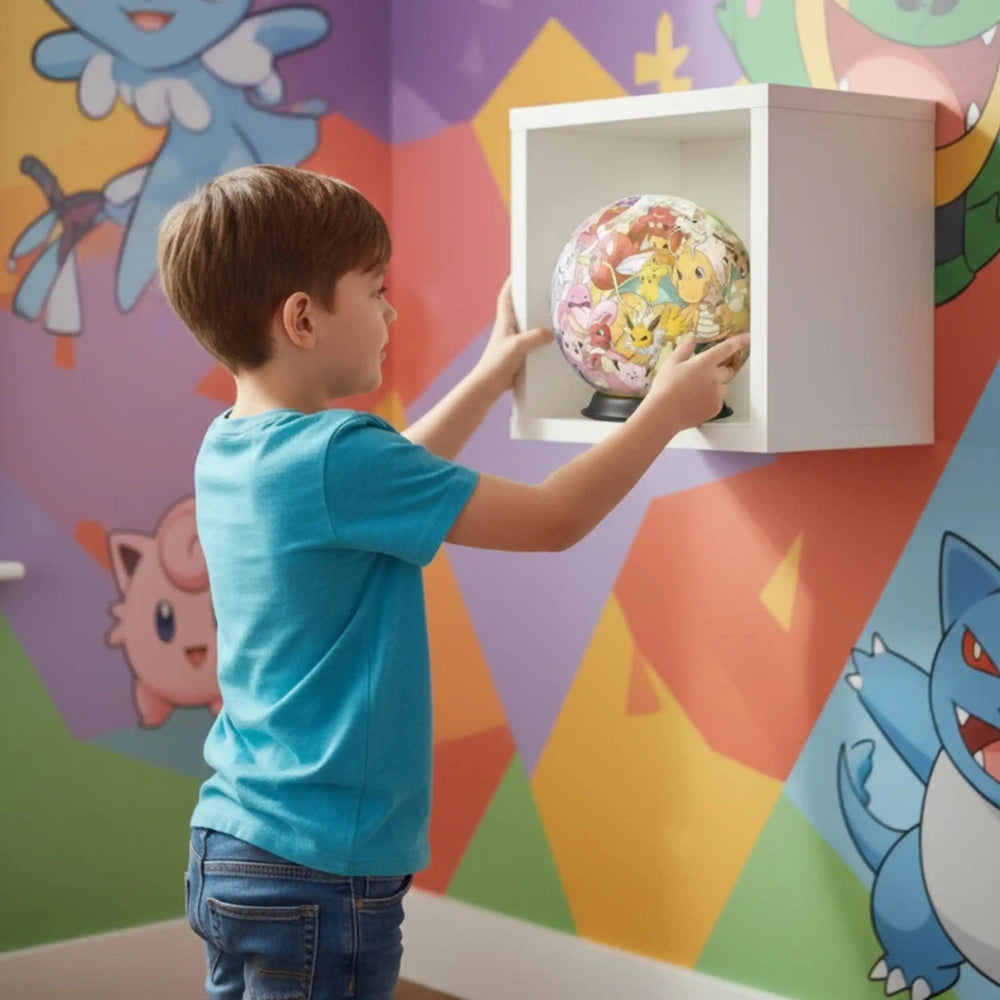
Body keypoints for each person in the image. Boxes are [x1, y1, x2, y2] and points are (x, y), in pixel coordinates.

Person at [157, 164, 748, 1000]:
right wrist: (665, 410)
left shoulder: (235, 444)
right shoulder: (339, 455)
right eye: (374, 290)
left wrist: (486, 374)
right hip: (323, 865)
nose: (391, 309)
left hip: (234, 845)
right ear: (302, 318)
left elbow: (394, 481)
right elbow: (552, 521)